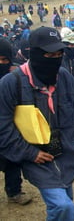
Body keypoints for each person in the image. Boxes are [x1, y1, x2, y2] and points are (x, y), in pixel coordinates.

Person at [0, 27, 74, 220]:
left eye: (59, 54)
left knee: (65, 196)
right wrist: (30, 153)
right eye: (49, 54)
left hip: (64, 152)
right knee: (63, 206)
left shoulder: (64, 77)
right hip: (34, 155)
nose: (55, 59)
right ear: (35, 55)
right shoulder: (11, 83)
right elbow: (3, 127)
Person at [0, 38, 32, 205]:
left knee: (13, 160)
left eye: (4, 60)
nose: (1, 63)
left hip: (10, 126)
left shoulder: (14, 77)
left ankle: (14, 191)